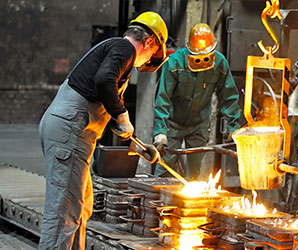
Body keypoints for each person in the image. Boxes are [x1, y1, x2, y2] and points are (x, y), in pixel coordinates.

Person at [38, 11, 167, 250]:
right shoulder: (125, 48)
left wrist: (136, 143)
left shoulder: (114, 51)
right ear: (149, 42)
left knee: (81, 205)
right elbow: (103, 80)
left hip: (71, 131)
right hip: (70, 131)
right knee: (63, 213)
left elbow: (101, 98)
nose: (147, 61)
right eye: (152, 54)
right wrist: (122, 115)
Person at [153, 23, 241, 180]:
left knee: (194, 175)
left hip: (198, 125)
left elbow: (228, 96)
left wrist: (233, 127)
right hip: (173, 125)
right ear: (189, 51)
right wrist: (160, 131)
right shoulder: (174, 62)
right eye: (197, 59)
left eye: (206, 58)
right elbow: (162, 98)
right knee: (164, 170)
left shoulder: (219, 63)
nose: (202, 62)